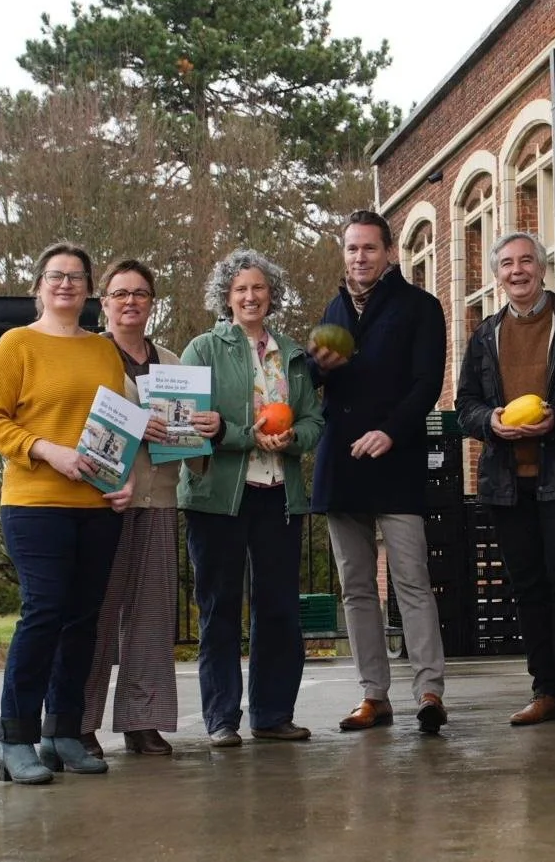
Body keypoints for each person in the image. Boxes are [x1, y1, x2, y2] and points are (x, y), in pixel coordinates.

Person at [0, 242, 134, 785]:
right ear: (39, 286)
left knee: (83, 620)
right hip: (35, 503)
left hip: (98, 506)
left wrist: (125, 478)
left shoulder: (104, 350)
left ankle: (62, 731)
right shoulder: (17, 344)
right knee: (43, 613)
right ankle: (12, 738)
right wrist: (48, 449)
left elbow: (118, 423)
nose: (66, 284)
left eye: (77, 277)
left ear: (90, 290)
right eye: (56, 275)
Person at [456, 232, 555, 730]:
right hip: (505, 479)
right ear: (497, 275)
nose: (517, 271)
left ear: (543, 268)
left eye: (526, 261)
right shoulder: (484, 335)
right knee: (527, 587)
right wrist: (490, 422)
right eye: (506, 264)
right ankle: (542, 689)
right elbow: (465, 405)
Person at [308, 210, 450, 735]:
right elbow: (313, 382)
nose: (360, 257)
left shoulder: (420, 307)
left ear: (389, 253)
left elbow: (426, 383)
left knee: (412, 582)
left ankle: (429, 690)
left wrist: (391, 431)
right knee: (356, 587)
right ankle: (374, 695)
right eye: (352, 249)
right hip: (341, 463)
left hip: (398, 460)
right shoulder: (334, 309)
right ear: (343, 254)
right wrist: (316, 366)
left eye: (369, 248)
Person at [180, 249, 325, 747]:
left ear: (271, 295)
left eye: (258, 288)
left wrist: (294, 440)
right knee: (219, 608)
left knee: (280, 609)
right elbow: (192, 424)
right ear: (226, 297)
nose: (250, 296)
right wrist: (245, 435)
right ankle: (222, 718)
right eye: (240, 289)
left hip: (279, 496)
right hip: (217, 498)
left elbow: (313, 420)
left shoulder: (293, 355)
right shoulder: (202, 349)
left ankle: (272, 714)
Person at [80, 260, 217, 758]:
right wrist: (138, 422)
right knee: (94, 617)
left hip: (158, 499)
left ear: (152, 303)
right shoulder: (88, 354)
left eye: (140, 293)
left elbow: (193, 447)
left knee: (151, 619)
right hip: (101, 501)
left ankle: (143, 722)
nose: (130, 301)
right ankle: (79, 723)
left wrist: (202, 430)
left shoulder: (172, 362)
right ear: (105, 303)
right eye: (120, 293)